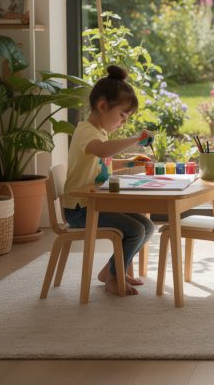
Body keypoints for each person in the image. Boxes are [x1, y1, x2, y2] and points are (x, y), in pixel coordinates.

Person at [61, 65, 155, 296]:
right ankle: (113, 276)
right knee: (133, 230)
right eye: (122, 115)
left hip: (94, 204)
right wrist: (135, 138)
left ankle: (111, 271)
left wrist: (132, 162)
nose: (123, 122)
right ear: (103, 106)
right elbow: (102, 152)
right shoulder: (86, 131)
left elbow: (104, 163)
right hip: (80, 209)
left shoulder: (100, 135)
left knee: (146, 226)